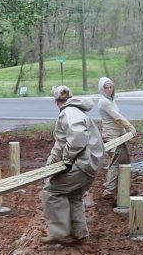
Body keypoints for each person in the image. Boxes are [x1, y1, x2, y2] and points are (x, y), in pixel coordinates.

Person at [40, 86, 104, 245]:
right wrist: (49, 167)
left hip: (84, 163)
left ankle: (60, 233)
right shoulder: (75, 112)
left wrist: (67, 162)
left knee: (52, 190)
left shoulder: (67, 113)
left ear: (56, 102)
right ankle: (79, 234)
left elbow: (77, 139)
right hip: (91, 163)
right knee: (73, 193)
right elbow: (60, 145)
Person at [97, 77, 136, 198]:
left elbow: (117, 119)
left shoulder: (111, 100)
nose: (109, 90)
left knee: (125, 160)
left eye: (110, 87)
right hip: (111, 137)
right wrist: (129, 127)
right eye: (106, 88)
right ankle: (109, 190)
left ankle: (121, 187)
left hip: (119, 137)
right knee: (116, 161)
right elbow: (117, 117)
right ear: (101, 89)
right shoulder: (104, 102)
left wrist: (124, 131)